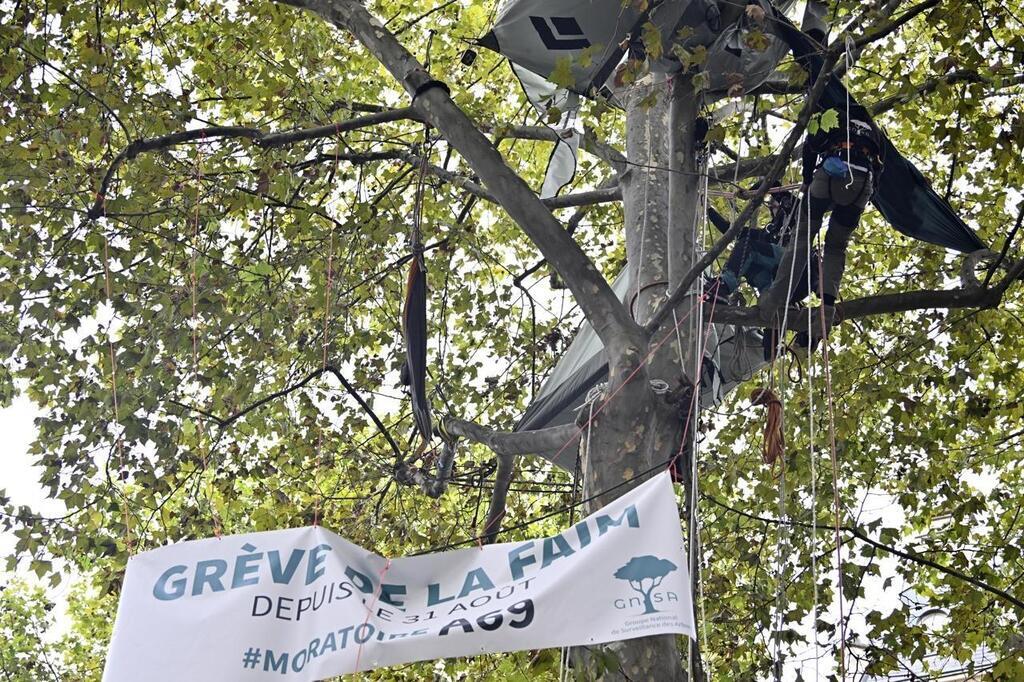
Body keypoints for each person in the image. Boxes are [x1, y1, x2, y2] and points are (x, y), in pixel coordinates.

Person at [757, 104, 884, 339]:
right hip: (861, 186)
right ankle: (826, 308)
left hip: (829, 176)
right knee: (836, 247)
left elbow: (811, 147)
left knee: (802, 239)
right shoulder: (875, 133)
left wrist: (806, 179)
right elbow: (879, 171)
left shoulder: (833, 117)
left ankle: (776, 298)